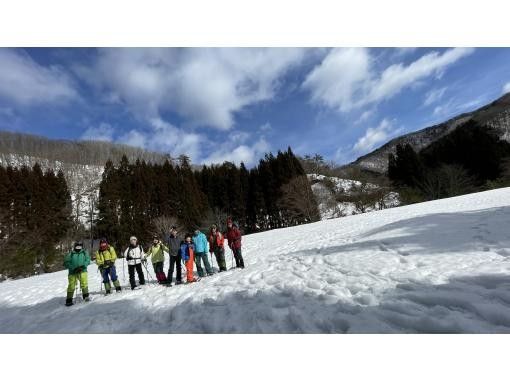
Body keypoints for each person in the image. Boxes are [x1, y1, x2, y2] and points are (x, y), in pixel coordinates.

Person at [63, 241, 91, 306]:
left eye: (80, 246)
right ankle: (69, 299)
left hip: (82, 271)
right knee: (71, 285)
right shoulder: (71, 254)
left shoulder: (84, 253)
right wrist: (73, 268)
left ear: (81, 247)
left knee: (84, 283)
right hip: (73, 272)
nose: (78, 248)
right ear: (75, 247)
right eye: (77, 246)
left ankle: (86, 296)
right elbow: (66, 262)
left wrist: (83, 266)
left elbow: (88, 260)